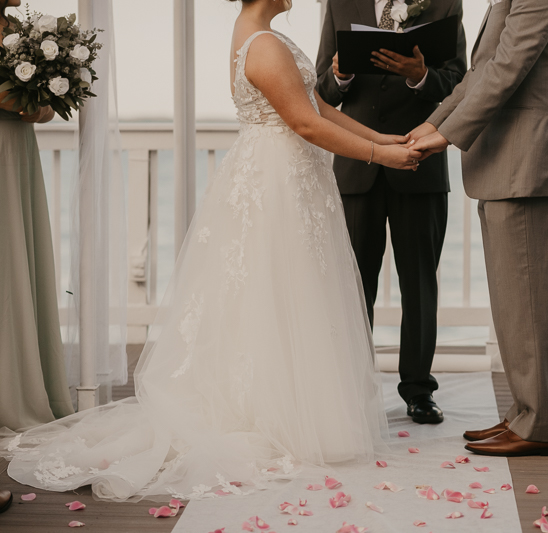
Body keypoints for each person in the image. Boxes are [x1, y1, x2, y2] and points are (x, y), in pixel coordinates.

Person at [0, 0, 421, 502]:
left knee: (286, 293)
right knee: (277, 291)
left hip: (291, 177)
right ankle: (273, 411)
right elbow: (305, 124)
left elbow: (321, 108)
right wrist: (383, 155)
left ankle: (294, 404)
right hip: (277, 182)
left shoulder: (259, 32)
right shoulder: (263, 43)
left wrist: (383, 137)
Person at [412, 0, 548, 457]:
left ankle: (540, 425)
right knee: (515, 304)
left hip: (527, 158)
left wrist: (445, 136)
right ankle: (527, 412)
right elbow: (478, 73)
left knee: (527, 305)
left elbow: (508, 68)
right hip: (505, 159)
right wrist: (429, 125)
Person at [316, 0, 467, 424]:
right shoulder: (340, 3)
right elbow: (320, 93)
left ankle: (419, 390)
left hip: (418, 162)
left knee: (419, 285)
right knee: (352, 287)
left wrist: (420, 76)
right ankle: (353, 390)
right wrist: (342, 73)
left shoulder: (444, 3)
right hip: (356, 166)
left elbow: (461, 86)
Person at [0, 0, 75, 432]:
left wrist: (41, 104)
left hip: (19, 151)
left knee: (18, 263)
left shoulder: (19, 27)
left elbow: (43, 105)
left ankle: (25, 387)